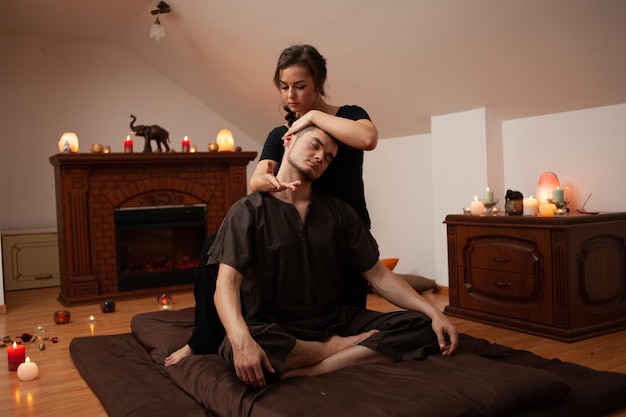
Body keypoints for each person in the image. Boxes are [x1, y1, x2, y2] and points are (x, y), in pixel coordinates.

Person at [208, 125, 458, 388]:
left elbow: (380, 276)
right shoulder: (247, 211)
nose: (320, 157)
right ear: (289, 140)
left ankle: (320, 366)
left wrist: (434, 313)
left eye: (328, 157)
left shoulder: (340, 212)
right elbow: (226, 284)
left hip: (335, 321)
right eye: (315, 146)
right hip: (275, 326)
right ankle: (341, 350)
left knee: (420, 325)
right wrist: (240, 338)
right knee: (240, 347)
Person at [250, 44, 378, 308]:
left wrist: (313, 116)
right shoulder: (281, 134)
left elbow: (368, 138)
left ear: (319, 82)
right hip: (308, 236)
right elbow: (256, 180)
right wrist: (270, 182)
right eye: (284, 87)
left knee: (351, 315)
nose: (290, 95)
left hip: (349, 234)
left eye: (299, 86)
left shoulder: (349, 115)